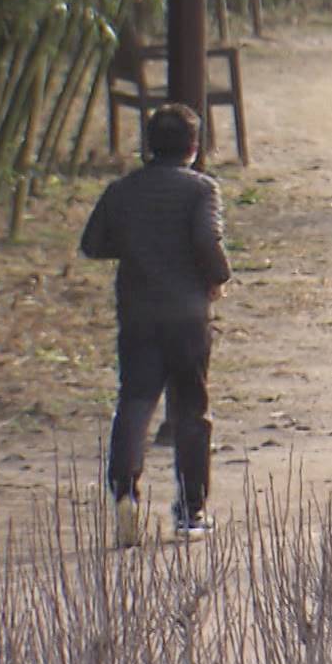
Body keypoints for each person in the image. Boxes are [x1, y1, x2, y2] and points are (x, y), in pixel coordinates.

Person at [80, 104, 234, 546]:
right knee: (191, 410)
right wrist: (218, 276)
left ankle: (125, 492)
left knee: (135, 402)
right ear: (194, 146)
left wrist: (137, 246)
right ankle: (190, 509)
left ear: (148, 144)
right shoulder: (201, 189)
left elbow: (93, 243)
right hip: (187, 316)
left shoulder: (122, 190)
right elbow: (207, 240)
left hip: (138, 313)